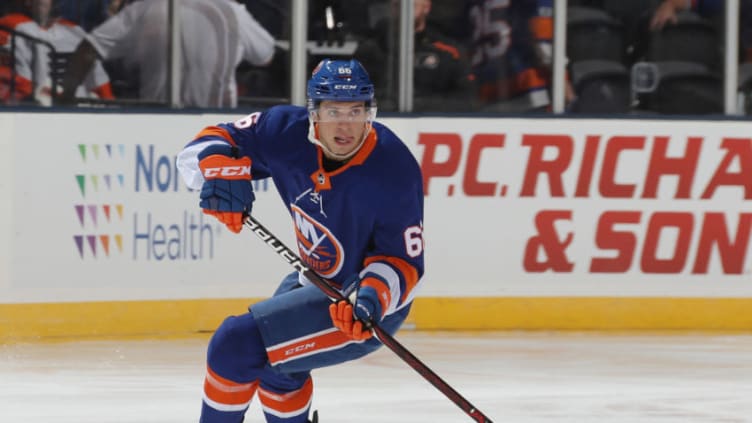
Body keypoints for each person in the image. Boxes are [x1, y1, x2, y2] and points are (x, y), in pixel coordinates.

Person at [176, 58, 425, 423]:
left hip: (365, 305)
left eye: (356, 111)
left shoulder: (394, 167)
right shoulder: (283, 132)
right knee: (279, 373)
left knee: (235, 344)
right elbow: (210, 142)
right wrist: (218, 169)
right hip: (313, 280)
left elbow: (402, 261)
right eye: (334, 111)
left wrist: (371, 297)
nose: (346, 125)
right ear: (314, 113)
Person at [60, 0, 275, 108]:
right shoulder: (232, 12)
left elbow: (87, 49)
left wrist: (65, 97)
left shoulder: (145, 8)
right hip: (216, 127)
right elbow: (266, 56)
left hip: (158, 121)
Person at [0, 0, 114, 105]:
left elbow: (100, 84)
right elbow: (16, 88)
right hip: (38, 113)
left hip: (81, 112)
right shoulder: (10, 27)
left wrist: (110, 107)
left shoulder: (75, 31)